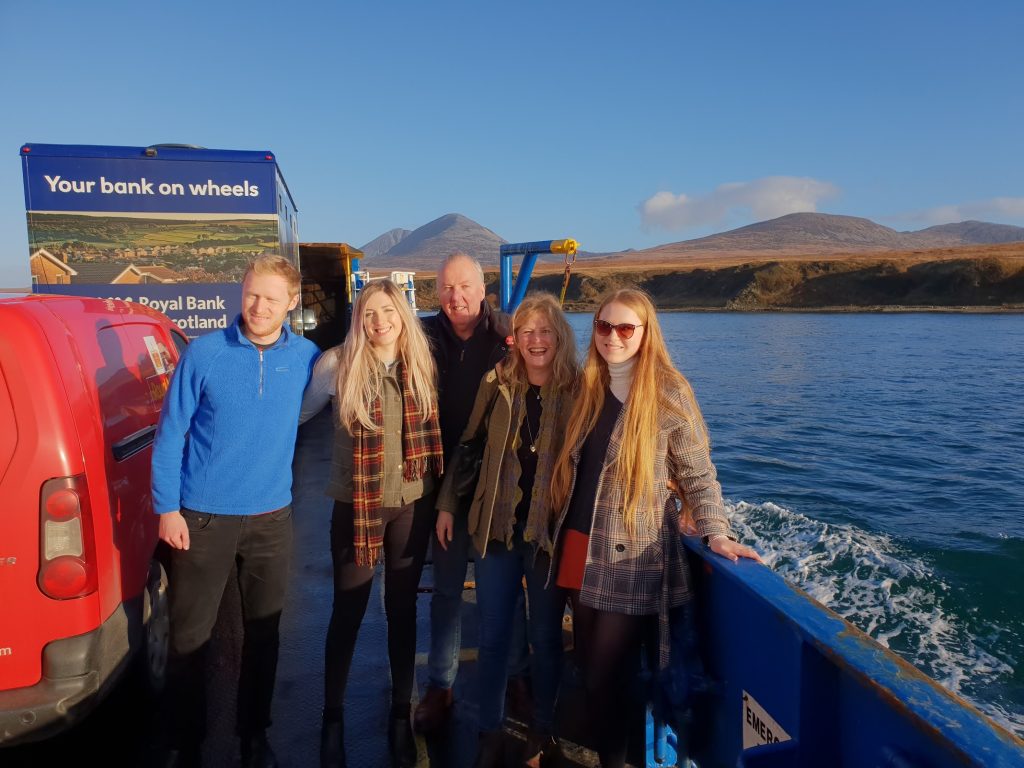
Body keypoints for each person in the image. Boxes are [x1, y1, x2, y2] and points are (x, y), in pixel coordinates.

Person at [549, 288, 762, 768]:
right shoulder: (586, 384)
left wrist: (715, 531)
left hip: (633, 553)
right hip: (580, 542)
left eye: (627, 328)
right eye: (605, 326)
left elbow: (698, 474)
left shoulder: (668, 391)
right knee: (590, 669)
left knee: (606, 673)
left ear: (646, 334)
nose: (614, 338)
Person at [152, 255, 319, 768]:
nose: (258, 307)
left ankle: (253, 735)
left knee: (264, 634)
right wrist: (167, 510)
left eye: (271, 298)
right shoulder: (204, 354)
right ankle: (187, 743)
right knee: (189, 637)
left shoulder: (308, 357)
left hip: (271, 518)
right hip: (201, 518)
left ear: (292, 302)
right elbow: (171, 433)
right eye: (251, 294)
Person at [299, 279, 444, 768]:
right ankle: (332, 718)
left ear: (402, 315)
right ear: (358, 321)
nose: (379, 322)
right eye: (368, 314)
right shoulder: (337, 365)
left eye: (388, 312)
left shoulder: (421, 364)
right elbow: (294, 415)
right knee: (348, 611)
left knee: (402, 612)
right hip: (356, 505)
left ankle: (399, 716)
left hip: (412, 503)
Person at [435, 293, 577, 767]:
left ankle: (543, 730)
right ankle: (489, 730)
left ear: (559, 337)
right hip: (496, 530)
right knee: (494, 635)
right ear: (516, 340)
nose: (537, 342)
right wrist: (449, 505)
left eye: (546, 332)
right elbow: (470, 444)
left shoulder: (579, 391)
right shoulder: (496, 384)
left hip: (548, 537)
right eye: (529, 332)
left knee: (545, 637)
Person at [415, 252, 534, 733]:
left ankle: (519, 677)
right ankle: (440, 686)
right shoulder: (422, 335)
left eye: (463, 287)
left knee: (500, 590)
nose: (454, 297)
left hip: (495, 483)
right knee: (446, 592)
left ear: (482, 289)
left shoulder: (506, 334)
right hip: (442, 480)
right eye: (445, 288)